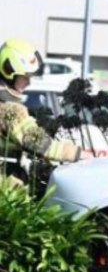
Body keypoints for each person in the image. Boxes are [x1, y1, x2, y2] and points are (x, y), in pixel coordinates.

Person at [0, 39, 81, 186]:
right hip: (6, 188)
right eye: (25, 77)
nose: (29, 82)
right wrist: (78, 154)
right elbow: (38, 142)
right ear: (9, 72)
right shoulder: (10, 109)